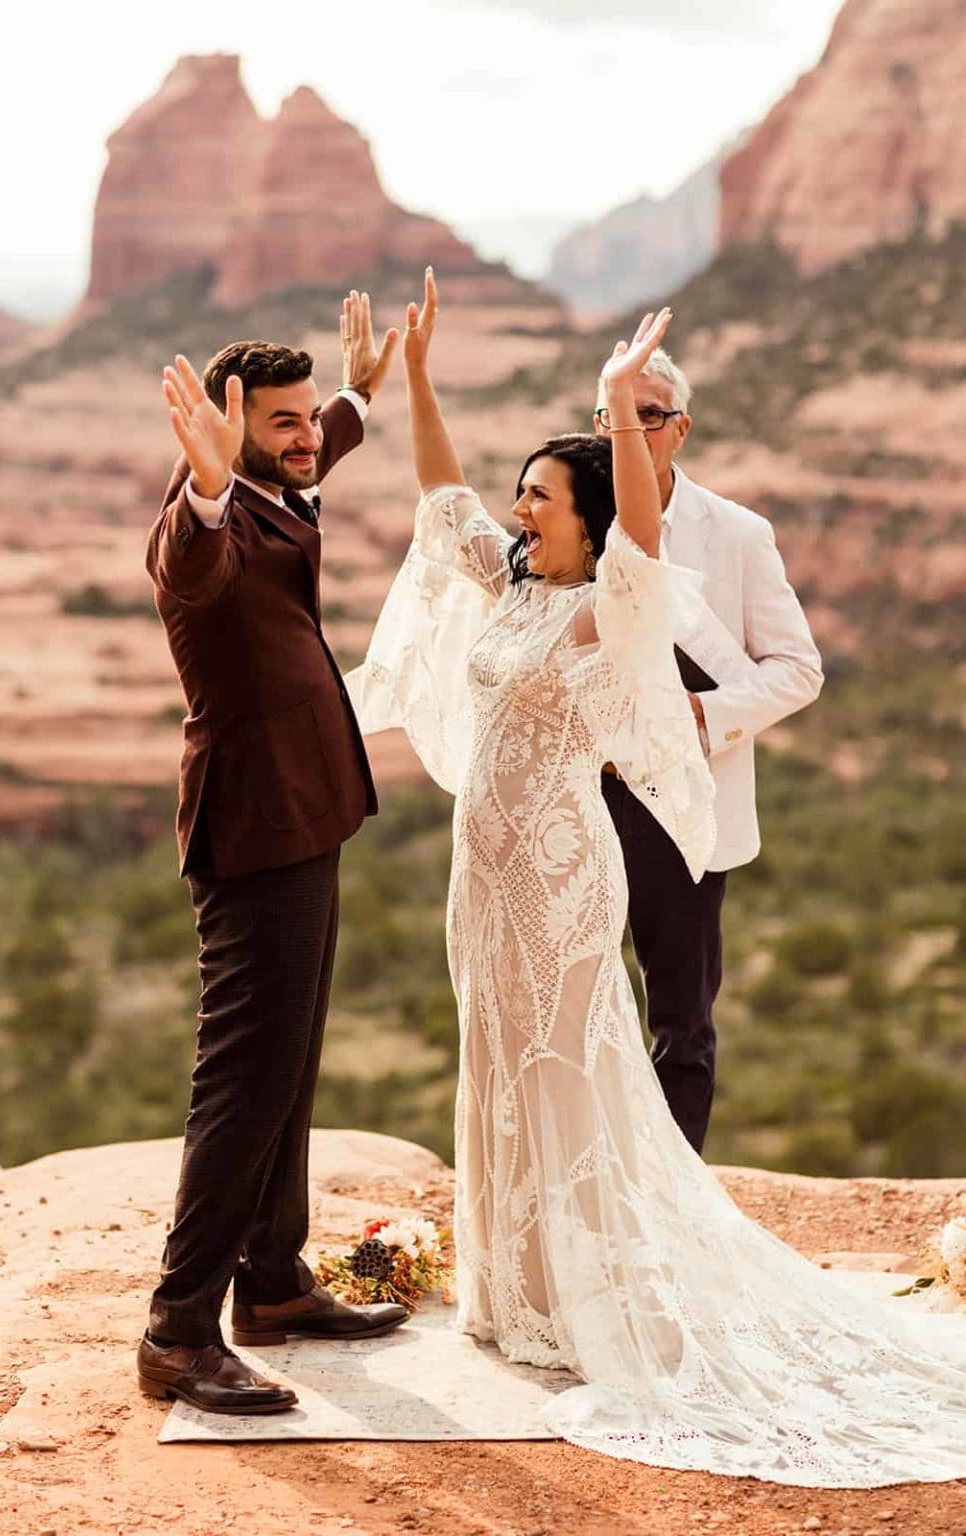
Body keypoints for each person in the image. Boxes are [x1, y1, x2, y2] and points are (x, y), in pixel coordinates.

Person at [347, 268, 966, 1484]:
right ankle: (510, 1287)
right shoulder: (512, 580)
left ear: (583, 511)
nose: (517, 510)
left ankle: (591, 1289)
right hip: (484, 871)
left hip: (566, 871)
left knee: (575, 1063)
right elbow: (439, 493)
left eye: (537, 495)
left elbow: (643, 527)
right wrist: (415, 379)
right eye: (520, 493)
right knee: (495, 1049)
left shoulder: (606, 606)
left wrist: (626, 410)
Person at [138, 293, 409, 1416]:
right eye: (283, 424)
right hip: (256, 825)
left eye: (310, 423)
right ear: (226, 430)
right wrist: (201, 484)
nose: (306, 441)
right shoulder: (205, 521)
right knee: (243, 1080)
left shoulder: (276, 478)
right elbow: (189, 562)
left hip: (309, 811)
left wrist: (355, 398)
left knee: (289, 1063)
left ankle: (275, 1279)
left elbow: (312, 446)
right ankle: (176, 1329)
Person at [594, 352, 823, 1153]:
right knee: (575, 1012)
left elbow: (799, 670)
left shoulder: (737, 533)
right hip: (581, 800)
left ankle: (678, 1209)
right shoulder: (572, 518)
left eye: (648, 413)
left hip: (689, 807)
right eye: (614, 412)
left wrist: (700, 715)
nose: (631, 427)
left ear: (679, 429)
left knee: (680, 1020)